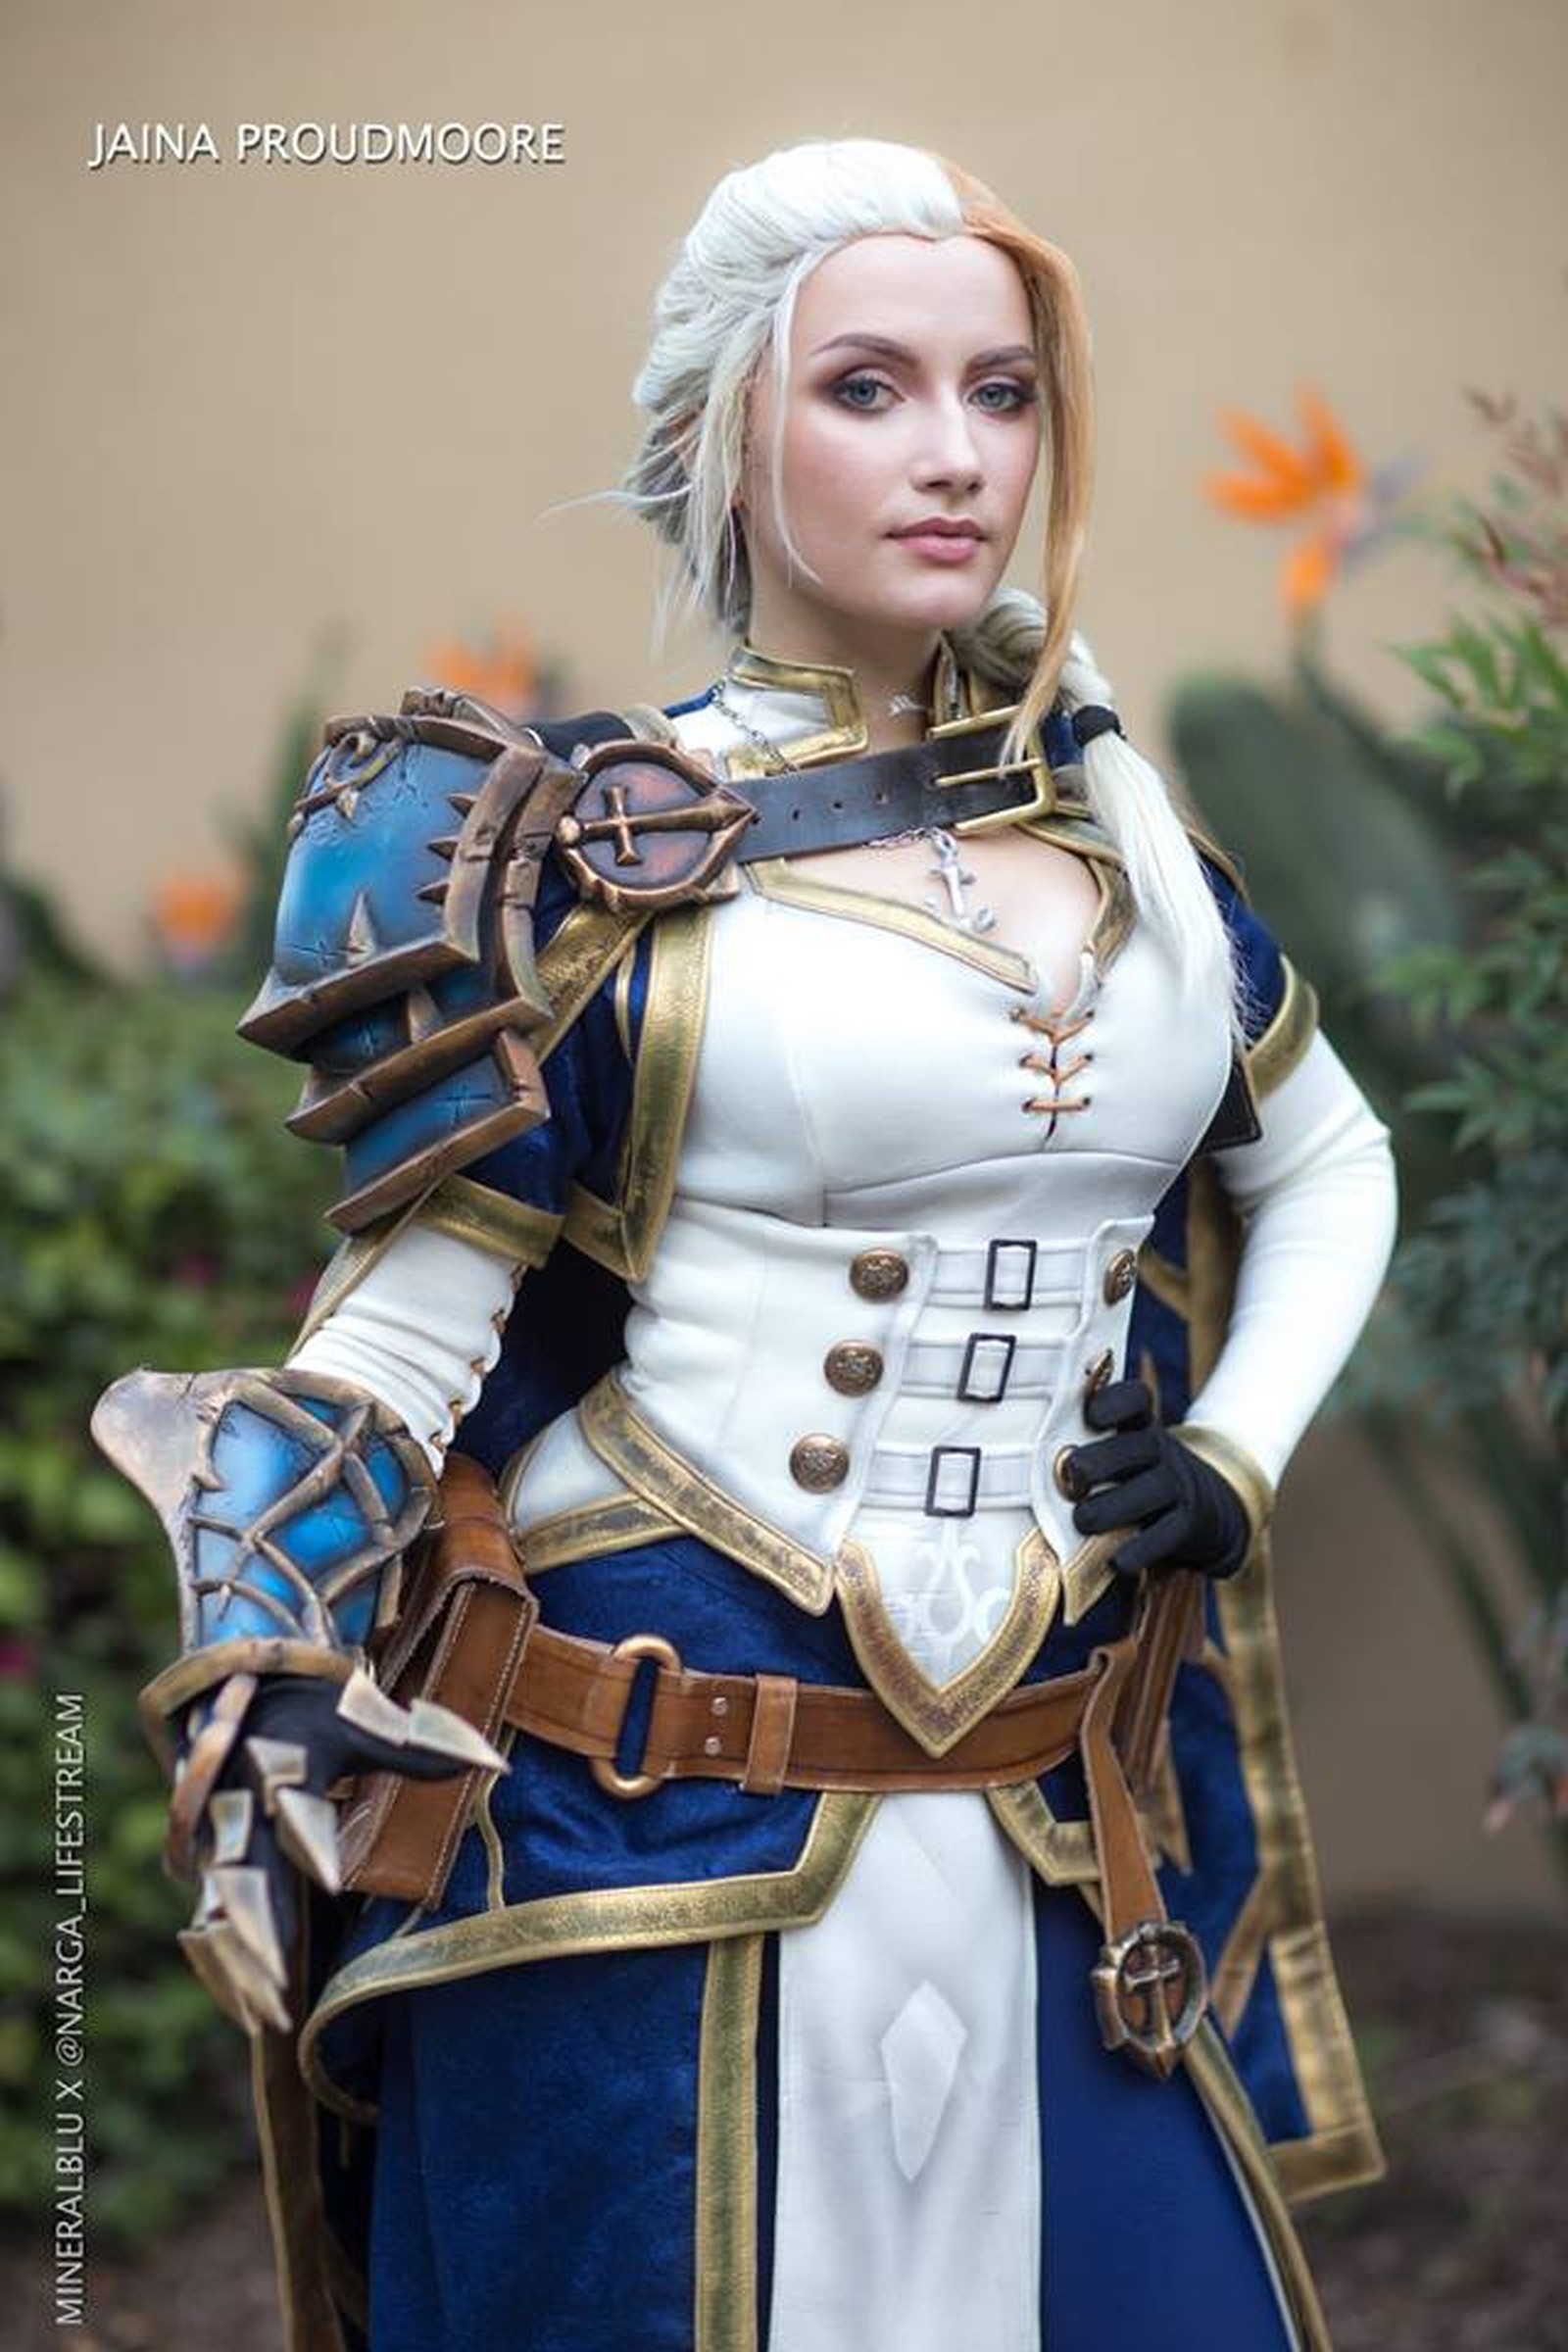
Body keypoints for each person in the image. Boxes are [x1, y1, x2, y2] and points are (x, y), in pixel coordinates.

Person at [96, 138, 1396, 2352]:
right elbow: (403, 1341)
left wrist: (1232, 1456)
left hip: (1050, 1789)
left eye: (1001, 393)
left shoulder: (1126, 841)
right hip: (650, 1809)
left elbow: (1328, 1162)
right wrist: (262, 1668)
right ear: (726, 429)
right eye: (869, 388)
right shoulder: (572, 862)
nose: (956, 455)